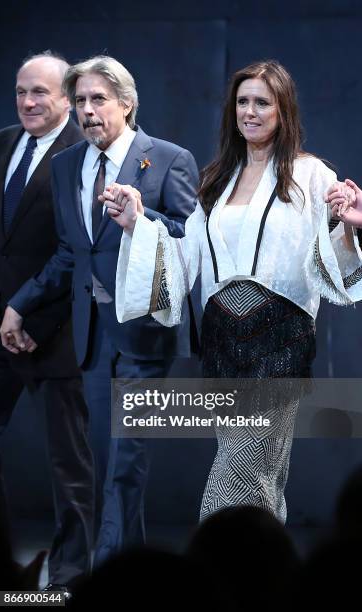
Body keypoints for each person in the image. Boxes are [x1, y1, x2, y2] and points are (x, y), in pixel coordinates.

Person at [103, 60, 362, 523]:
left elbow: (334, 258)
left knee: (237, 480)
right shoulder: (217, 178)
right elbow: (188, 260)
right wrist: (137, 227)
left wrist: (347, 228)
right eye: (243, 101)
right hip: (223, 345)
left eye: (262, 102)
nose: (250, 111)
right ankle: (264, 580)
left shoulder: (311, 175)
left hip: (279, 341)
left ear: (284, 110)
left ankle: (216, 575)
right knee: (263, 485)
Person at [0, 56, 199, 564]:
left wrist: (141, 218)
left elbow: (191, 241)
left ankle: (106, 572)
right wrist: (19, 305)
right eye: (82, 101)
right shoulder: (68, 165)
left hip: (143, 332)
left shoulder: (170, 159)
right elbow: (71, 253)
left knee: (125, 461)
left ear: (126, 106)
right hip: (90, 337)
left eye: (98, 100)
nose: (88, 112)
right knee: (109, 460)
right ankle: (125, 569)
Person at [0, 52, 94, 592]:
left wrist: (36, 318)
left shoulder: (84, 155)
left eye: (41, 93)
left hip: (55, 335)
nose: (28, 102)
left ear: (67, 99)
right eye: (20, 91)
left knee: (70, 469)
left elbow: (76, 251)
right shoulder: (2, 142)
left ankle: (71, 581)